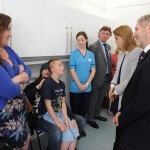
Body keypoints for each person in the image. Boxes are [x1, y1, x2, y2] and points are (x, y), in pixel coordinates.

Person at [24, 62, 85, 150]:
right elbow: (25, 96)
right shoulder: (34, 85)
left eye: (47, 69)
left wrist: (71, 118)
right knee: (57, 132)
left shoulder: (58, 84)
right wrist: (38, 87)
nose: (46, 71)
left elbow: (62, 103)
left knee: (80, 120)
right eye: (44, 69)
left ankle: (71, 140)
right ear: (41, 72)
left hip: (57, 112)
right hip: (39, 116)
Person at [113, 14, 150, 150]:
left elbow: (142, 100)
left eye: (137, 29)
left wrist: (122, 117)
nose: (134, 34)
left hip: (137, 126)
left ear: (148, 29)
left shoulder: (144, 56)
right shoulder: (144, 55)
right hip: (130, 114)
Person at [0, 13, 31, 149]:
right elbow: (9, 90)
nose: (11, 34)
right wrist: (22, 80)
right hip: (6, 114)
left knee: (28, 138)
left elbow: (27, 71)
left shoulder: (8, 50)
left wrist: (18, 78)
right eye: (9, 29)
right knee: (20, 145)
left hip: (21, 110)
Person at [41, 59, 79, 150]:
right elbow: (48, 106)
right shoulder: (47, 83)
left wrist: (66, 119)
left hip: (60, 113)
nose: (63, 67)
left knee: (74, 132)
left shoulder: (62, 84)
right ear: (52, 69)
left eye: (62, 65)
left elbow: (63, 104)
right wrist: (59, 123)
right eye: (60, 65)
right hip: (49, 114)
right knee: (67, 135)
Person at [109, 25, 142, 115]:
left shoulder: (137, 52)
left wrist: (115, 90)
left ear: (124, 37)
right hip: (117, 92)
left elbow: (132, 78)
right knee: (116, 120)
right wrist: (112, 86)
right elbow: (117, 73)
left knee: (122, 121)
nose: (115, 41)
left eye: (116, 38)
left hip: (125, 93)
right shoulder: (121, 52)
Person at [87, 26, 112, 129]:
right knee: (93, 98)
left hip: (106, 76)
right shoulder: (93, 46)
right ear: (99, 33)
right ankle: (90, 118)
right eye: (103, 33)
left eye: (107, 34)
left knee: (101, 97)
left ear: (109, 35)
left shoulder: (109, 47)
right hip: (96, 77)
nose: (105, 35)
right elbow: (90, 65)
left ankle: (97, 114)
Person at [69, 31, 96, 118]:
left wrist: (86, 84)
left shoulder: (91, 55)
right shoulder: (73, 54)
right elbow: (72, 70)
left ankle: (81, 128)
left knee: (83, 109)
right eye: (78, 40)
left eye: (82, 40)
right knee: (75, 109)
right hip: (75, 87)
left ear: (86, 40)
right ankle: (76, 129)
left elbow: (93, 70)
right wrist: (79, 85)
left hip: (87, 87)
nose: (80, 42)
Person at [108, 48, 119, 116]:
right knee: (112, 93)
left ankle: (117, 109)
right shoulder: (113, 56)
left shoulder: (126, 55)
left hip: (122, 78)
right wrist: (113, 73)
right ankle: (110, 109)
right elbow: (110, 67)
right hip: (113, 77)